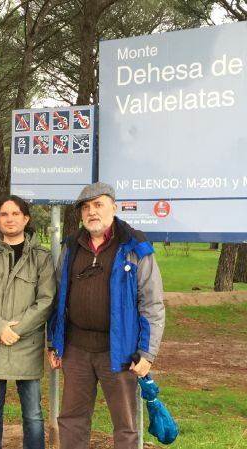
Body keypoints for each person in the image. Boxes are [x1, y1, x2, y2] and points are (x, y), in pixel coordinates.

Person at [47, 182, 165, 448]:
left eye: (98, 205)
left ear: (113, 206)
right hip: (76, 350)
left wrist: (147, 353)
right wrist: (54, 342)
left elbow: (152, 303)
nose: (92, 212)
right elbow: (58, 298)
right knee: (72, 419)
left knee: (125, 425)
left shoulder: (136, 247)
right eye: (86, 207)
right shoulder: (71, 247)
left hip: (120, 352)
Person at [0, 195, 56, 449]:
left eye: (15, 214)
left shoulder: (42, 257)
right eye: (4, 214)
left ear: (26, 218)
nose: (10, 219)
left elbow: (46, 300)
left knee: (33, 414)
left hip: (27, 345)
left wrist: (17, 330)